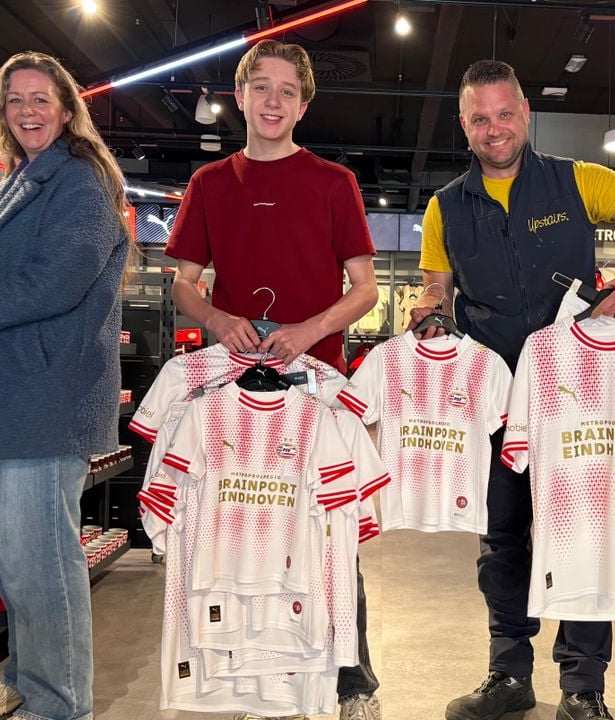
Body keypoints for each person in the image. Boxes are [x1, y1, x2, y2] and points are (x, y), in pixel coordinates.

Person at [413, 59, 615, 720]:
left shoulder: (574, 181)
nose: (494, 128)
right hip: (496, 397)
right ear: (464, 124)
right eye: (480, 118)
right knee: (502, 539)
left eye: (504, 113)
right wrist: (428, 321)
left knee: (582, 534)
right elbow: (434, 290)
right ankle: (508, 674)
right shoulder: (444, 207)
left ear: (525, 113)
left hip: (579, 394)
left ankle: (583, 685)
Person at [164, 39, 381, 720]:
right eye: (261, 86)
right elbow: (183, 285)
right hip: (231, 386)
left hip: (316, 385)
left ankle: (352, 682)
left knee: (328, 532)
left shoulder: (332, 182)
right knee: (237, 526)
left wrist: (310, 330)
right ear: (241, 95)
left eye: (287, 90)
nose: (274, 101)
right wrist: (219, 317)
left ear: (304, 104)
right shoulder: (210, 184)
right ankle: (245, 668)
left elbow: (367, 289)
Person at [0, 51, 132, 720]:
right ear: (1, 111)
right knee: (13, 555)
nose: (27, 109)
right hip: (17, 392)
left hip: (49, 391)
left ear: (67, 108)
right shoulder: (27, 178)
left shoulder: (79, 181)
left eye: (40, 98)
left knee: (42, 560)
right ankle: (26, 675)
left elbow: (60, 278)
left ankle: (59, 701)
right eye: (15, 98)